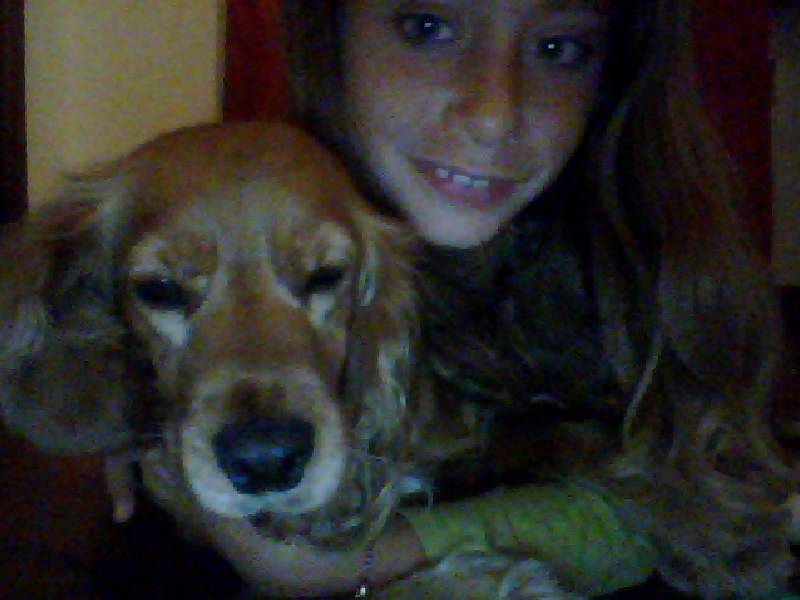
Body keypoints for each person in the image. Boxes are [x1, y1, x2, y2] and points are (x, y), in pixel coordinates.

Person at [136, 0, 798, 598]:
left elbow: (696, 512)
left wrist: (356, 560)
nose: (493, 113)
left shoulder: (659, 268)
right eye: (427, 27)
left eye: (558, 47)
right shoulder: (207, 220)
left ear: (611, 74)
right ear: (329, 33)